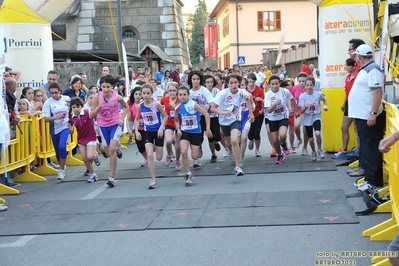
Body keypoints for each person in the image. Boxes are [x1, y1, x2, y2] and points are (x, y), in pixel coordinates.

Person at [349, 44, 384, 192]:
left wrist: (373, 113)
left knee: (371, 149)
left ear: (360, 56)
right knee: (367, 148)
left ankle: (374, 182)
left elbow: (377, 92)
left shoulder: (372, 69)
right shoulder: (367, 67)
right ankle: (370, 179)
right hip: (363, 115)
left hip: (367, 116)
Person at [211, 73, 254, 176]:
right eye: (231, 83)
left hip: (235, 119)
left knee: (235, 141)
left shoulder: (241, 93)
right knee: (229, 143)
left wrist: (251, 113)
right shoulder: (222, 94)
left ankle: (238, 167)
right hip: (223, 121)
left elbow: (248, 98)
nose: (234, 85)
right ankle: (229, 149)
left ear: (238, 83)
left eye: (235, 82)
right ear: (227, 84)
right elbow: (212, 108)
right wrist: (223, 112)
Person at [91, 75, 129, 187]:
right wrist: (99, 107)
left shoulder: (117, 97)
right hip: (103, 126)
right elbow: (92, 114)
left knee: (111, 149)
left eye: (108, 86)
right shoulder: (97, 97)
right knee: (108, 153)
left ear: (112, 86)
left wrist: (121, 119)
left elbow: (126, 107)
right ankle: (116, 149)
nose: (106, 89)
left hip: (115, 124)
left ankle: (111, 177)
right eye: (103, 87)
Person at [175, 86, 212, 185]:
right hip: (184, 132)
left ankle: (198, 148)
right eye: (180, 95)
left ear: (188, 95)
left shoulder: (194, 104)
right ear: (178, 96)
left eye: (184, 94)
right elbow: (176, 120)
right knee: (183, 151)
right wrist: (178, 128)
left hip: (196, 132)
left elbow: (206, 114)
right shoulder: (177, 106)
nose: (182, 97)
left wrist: (208, 128)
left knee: (194, 156)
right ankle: (188, 173)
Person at [134, 84, 168, 189]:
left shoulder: (156, 104)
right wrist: (136, 131)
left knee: (159, 157)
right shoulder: (140, 106)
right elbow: (136, 119)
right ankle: (153, 180)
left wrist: (161, 127)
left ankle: (154, 146)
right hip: (147, 132)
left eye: (148, 93)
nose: (145, 95)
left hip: (158, 132)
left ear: (152, 94)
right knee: (149, 156)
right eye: (143, 93)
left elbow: (165, 116)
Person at [264, 76, 298, 164]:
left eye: (276, 84)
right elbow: (269, 110)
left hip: (283, 116)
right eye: (273, 84)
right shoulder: (267, 95)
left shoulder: (284, 91)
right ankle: (280, 155)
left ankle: (284, 145)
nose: (275, 86)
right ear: (269, 85)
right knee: (275, 140)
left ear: (279, 84)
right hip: (272, 118)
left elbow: (292, 99)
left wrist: (296, 110)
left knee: (282, 135)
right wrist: (275, 104)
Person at [68, 97, 101, 183]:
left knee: (90, 156)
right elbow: (71, 130)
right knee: (85, 158)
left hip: (91, 137)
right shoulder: (72, 117)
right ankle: (93, 174)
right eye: (73, 107)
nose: (76, 109)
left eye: (78, 107)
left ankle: (95, 155)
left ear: (81, 106)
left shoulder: (87, 112)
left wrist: (98, 106)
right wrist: (70, 130)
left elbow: (94, 114)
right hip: (81, 139)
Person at [42, 82, 70, 180]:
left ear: (60, 91)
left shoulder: (67, 99)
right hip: (55, 129)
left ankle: (61, 171)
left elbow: (74, 109)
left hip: (65, 127)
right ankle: (62, 163)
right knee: (58, 151)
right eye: (52, 93)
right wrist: (55, 117)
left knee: (62, 146)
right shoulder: (48, 103)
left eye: (56, 93)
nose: (54, 95)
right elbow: (45, 118)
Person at [298, 77, 328, 161]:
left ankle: (319, 149)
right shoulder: (302, 96)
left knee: (318, 133)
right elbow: (301, 110)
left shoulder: (318, 94)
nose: (309, 87)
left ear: (314, 85)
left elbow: (324, 100)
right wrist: (306, 106)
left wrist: (325, 106)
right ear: (305, 86)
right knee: (310, 139)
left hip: (316, 116)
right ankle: (314, 151)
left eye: (311, 85)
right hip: (307, 119)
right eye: (307, 85)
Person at [334, 58, 357, 157]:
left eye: (348, 65)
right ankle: (344, 149)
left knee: (357, 129)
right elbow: (347, 92)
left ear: (354, 66)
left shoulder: (357, 76)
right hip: (348, 103)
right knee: (344, 127)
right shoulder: (347, 77)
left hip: (357, 103)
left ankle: (360, 150)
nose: (346, 68)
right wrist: (344, 103)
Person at [160, 82, 181, 169]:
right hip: (168, 123)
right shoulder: (164, 100)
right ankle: (169, 154)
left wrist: (175, 106)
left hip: (179, 123)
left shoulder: (180, 100)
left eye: (174, 90)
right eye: (170, 90)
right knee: (168, 140)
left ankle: (177, 160)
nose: (172, 92)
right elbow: (158, 108)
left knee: (177, 145)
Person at [127, 86, 148, 167]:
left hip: (147, 128)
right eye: (136, 94)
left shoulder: (146, 104)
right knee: (140, 146)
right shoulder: (131, 106)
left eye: (140, 94)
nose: (138, 96)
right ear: (133, 95)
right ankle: (147, 158)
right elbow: (128, 119)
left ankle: (149, 157)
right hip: (137, 129)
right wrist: (129, 128)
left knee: (147, 144)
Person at [246, 73, 265, 157]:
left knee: (256, 133)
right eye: (249, 82)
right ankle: (251, 139)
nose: (251, 84)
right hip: (248, 114)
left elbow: (265, 102)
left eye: (252, 82)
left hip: (258, 113)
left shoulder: (259, 90)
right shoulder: (245, 90)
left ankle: (257, 150)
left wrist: (262, 107)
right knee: (250, 134)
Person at [203, 74, 221, 163]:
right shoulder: (202, 91)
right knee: (210, 138)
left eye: (211, 82)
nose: (209, 84)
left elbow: (219, 102)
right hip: (205, 116)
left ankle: (216, 142)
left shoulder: (216, 91)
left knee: (217, 137)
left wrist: (211, 105)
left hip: (215, 116)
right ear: (204, 83)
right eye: (207, 82)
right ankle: (213, 155)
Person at [291, 72, 309, 155]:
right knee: (296, 126)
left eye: (303, 81)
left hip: (307, 111)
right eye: (300, 81)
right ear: (297, 81)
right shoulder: (294, 88)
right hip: (298, 110)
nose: (302, 83)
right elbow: (291, 99)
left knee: (305, 131)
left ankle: (305, 147)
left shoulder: (309, 88)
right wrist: (292, 108)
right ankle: (299, 139)